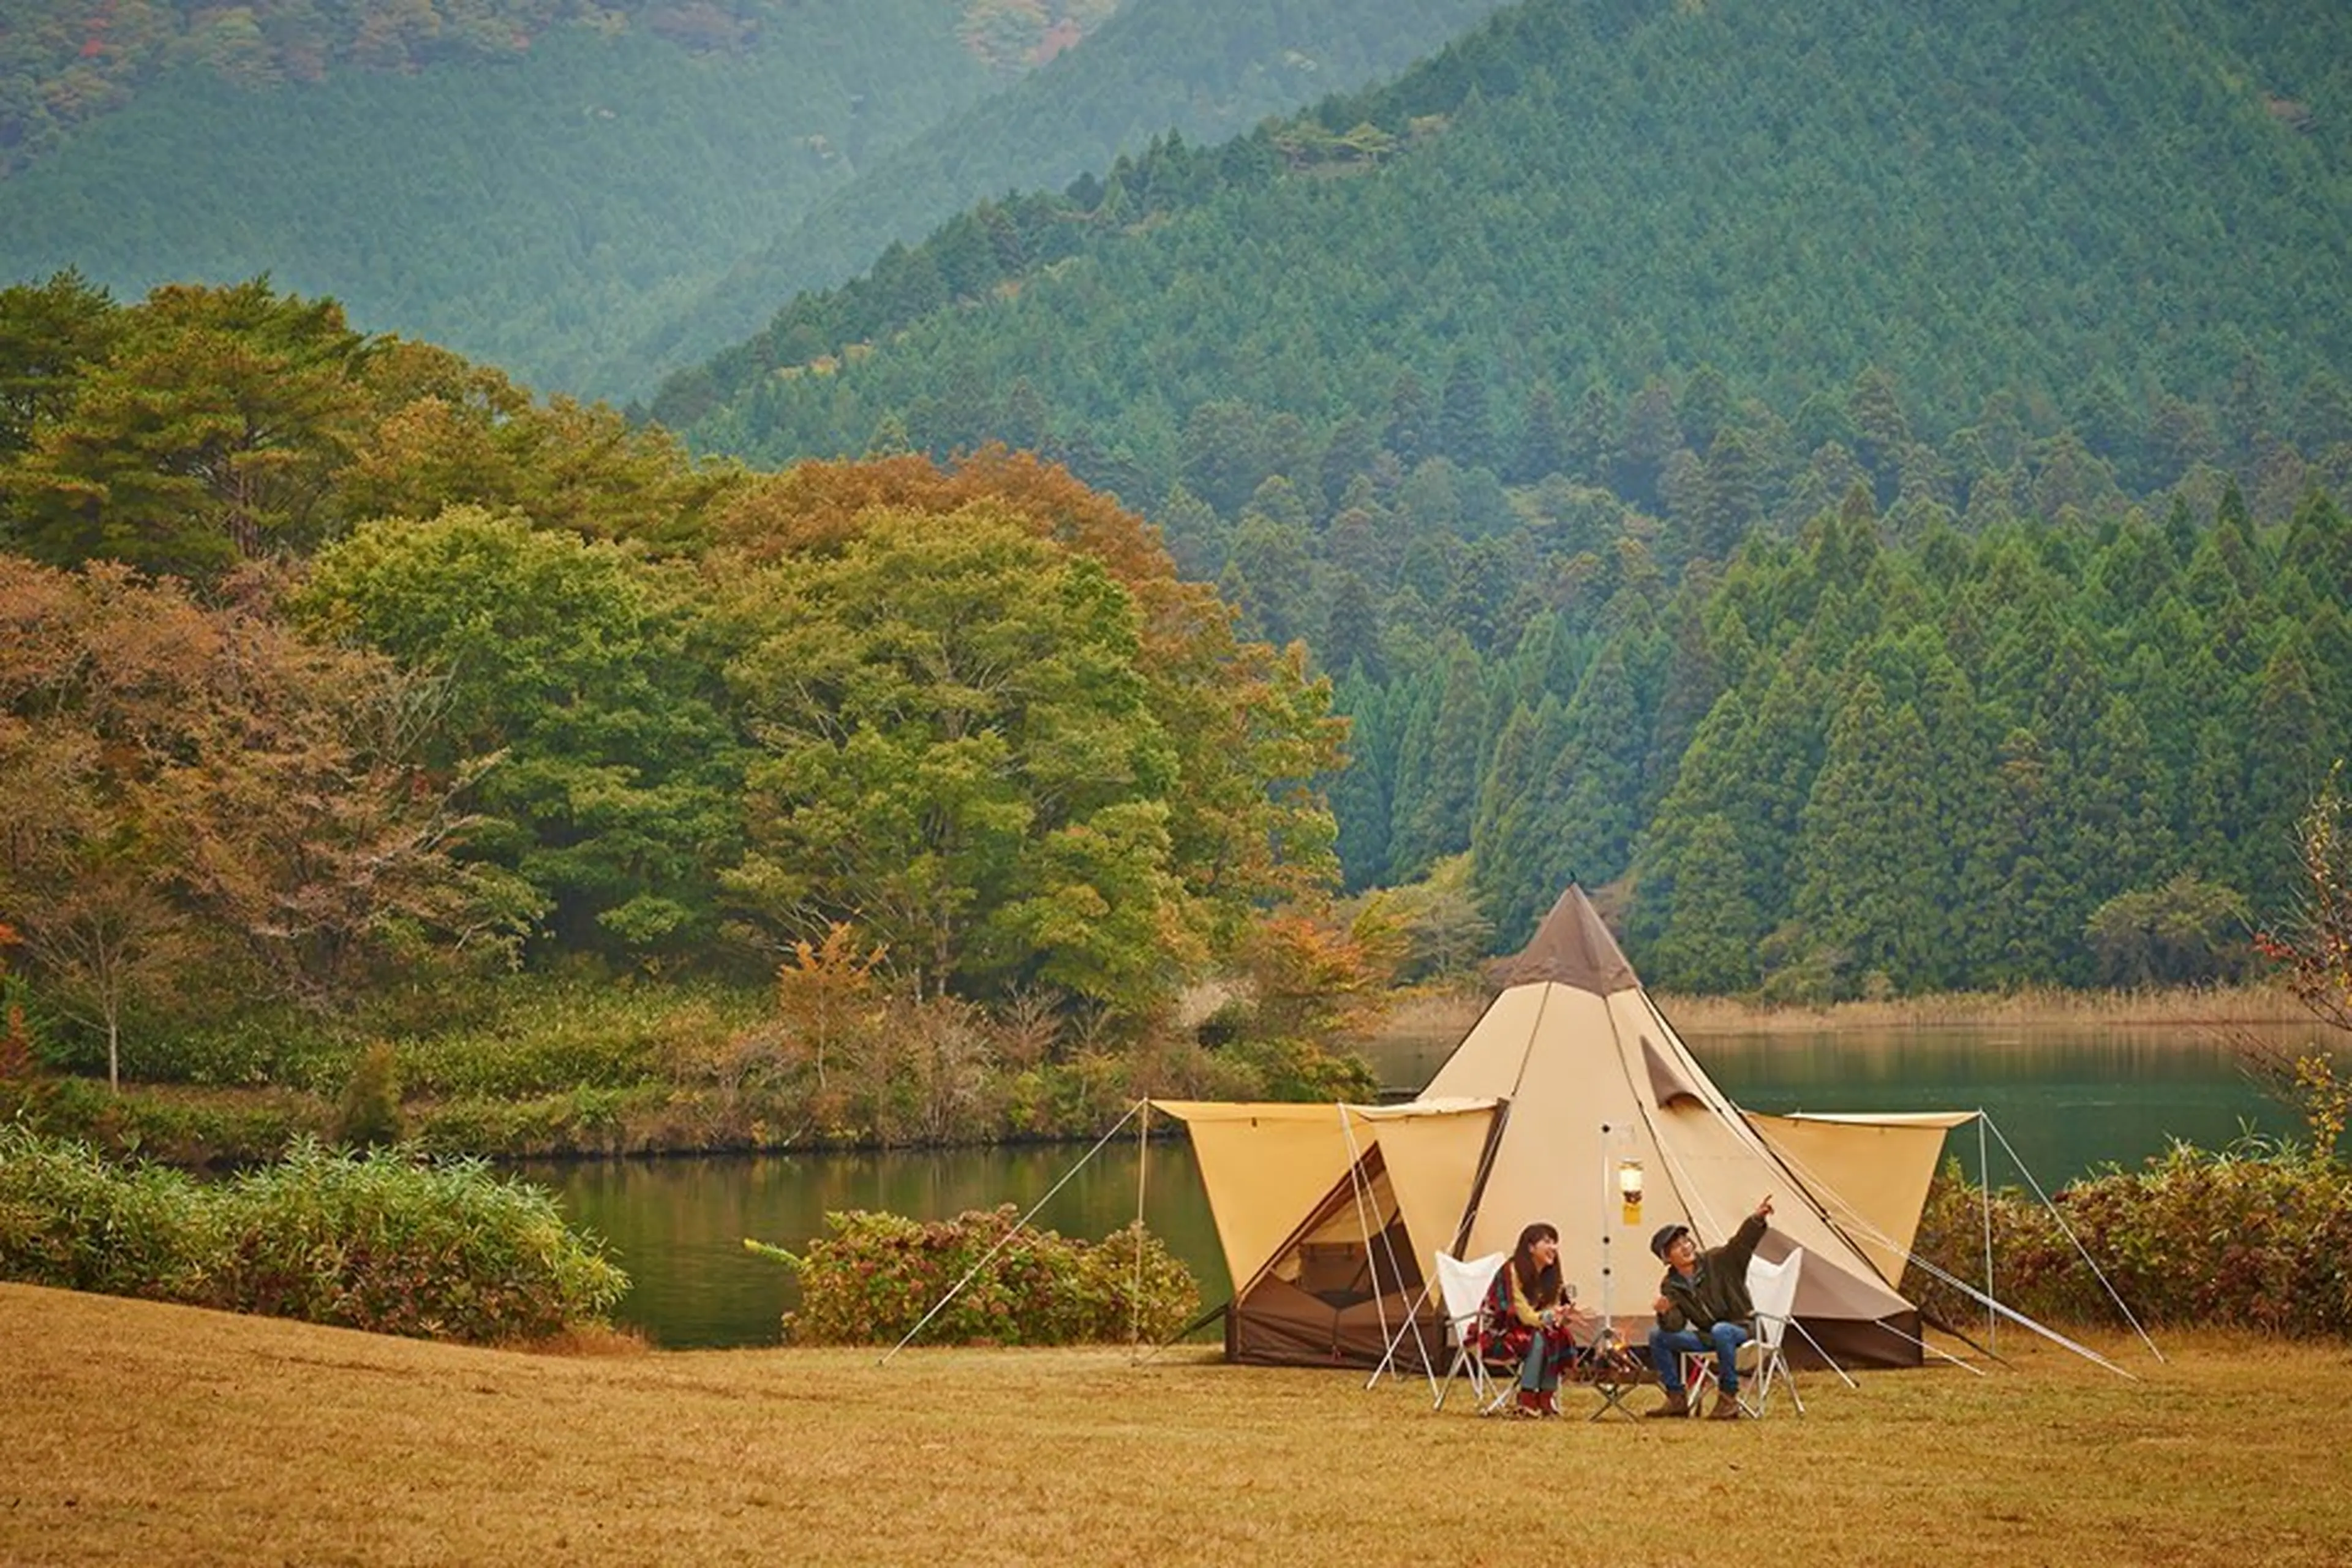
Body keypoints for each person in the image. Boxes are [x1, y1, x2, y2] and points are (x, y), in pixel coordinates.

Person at [1645, 1194, 1774, 1420]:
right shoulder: (1671, 1285)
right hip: (1711, 1336)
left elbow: (1741, 1244)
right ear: (1667, 1258)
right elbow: (1676, 1326)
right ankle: (1676, 1398)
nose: (1685, 1247)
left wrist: (1756, 1220)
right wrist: (1665, 1313)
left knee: (1722, 1330)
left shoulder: (1718, 1260)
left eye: (1686, 1241)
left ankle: (1728, 1397)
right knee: (1658, 1335)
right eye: (1676, 1246)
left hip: (1744, 1328)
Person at [1488, 1221, 1592, 1417]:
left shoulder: (1551, 1276)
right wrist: (1551, 1316)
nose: (1554, 1247)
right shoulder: (1511, 1271)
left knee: (1557, 1335)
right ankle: (1527, 1397)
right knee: (1539, 1337)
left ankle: (1545, 1397)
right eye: (1547, 1242)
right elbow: (1523, 1314)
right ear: (1531, 1247)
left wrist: (1564, 1316)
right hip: (1500, 1332)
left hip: (1533, 1329)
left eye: (1555, 1242)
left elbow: (1551, 1312)